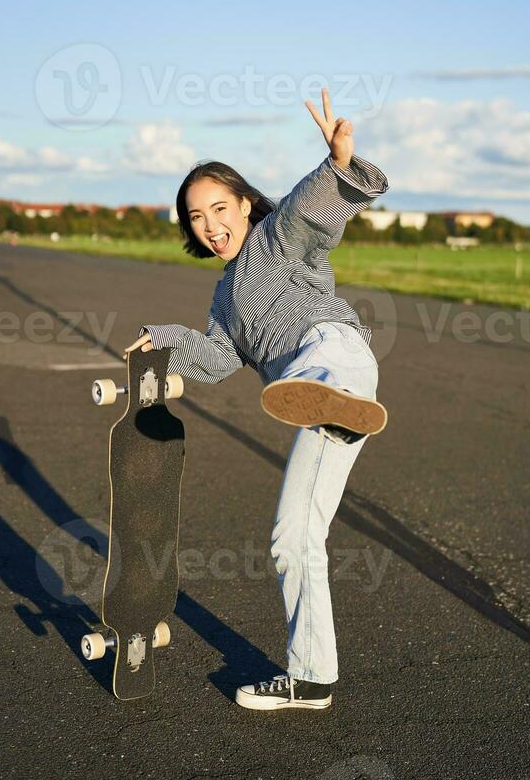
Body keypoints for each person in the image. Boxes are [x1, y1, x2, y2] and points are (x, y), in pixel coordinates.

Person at [124, 88, 389, 711]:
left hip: (336, 354)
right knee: (292, 534)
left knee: (321, 359)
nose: (212, 225)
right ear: (188, 227)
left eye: (220, 207)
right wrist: (161, 342)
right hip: (324, 399)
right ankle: (311, 677)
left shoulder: (277, 238)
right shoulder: (223, 303)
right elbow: (216, 361)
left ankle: (325, 390)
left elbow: (308, 211)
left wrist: (339, 165)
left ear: (245, 204)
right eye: (196, 217)